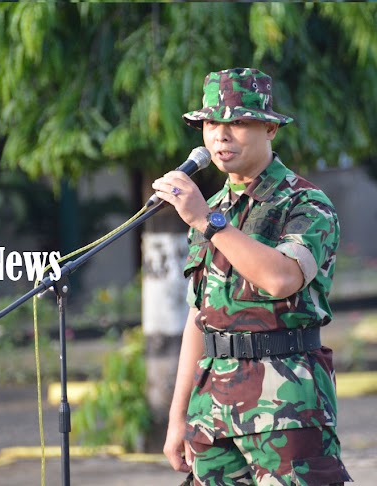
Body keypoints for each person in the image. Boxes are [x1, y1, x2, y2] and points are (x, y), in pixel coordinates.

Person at [157, 68, 352, 485]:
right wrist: (178, 418)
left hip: (286, 408)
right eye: (212, 123)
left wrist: (209, 222)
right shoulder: (209, 209)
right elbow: (200, 316)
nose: (221, 135)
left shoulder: (304, 203)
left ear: (269, 128)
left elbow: (282, 280)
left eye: (239, 122)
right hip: (212, 412)